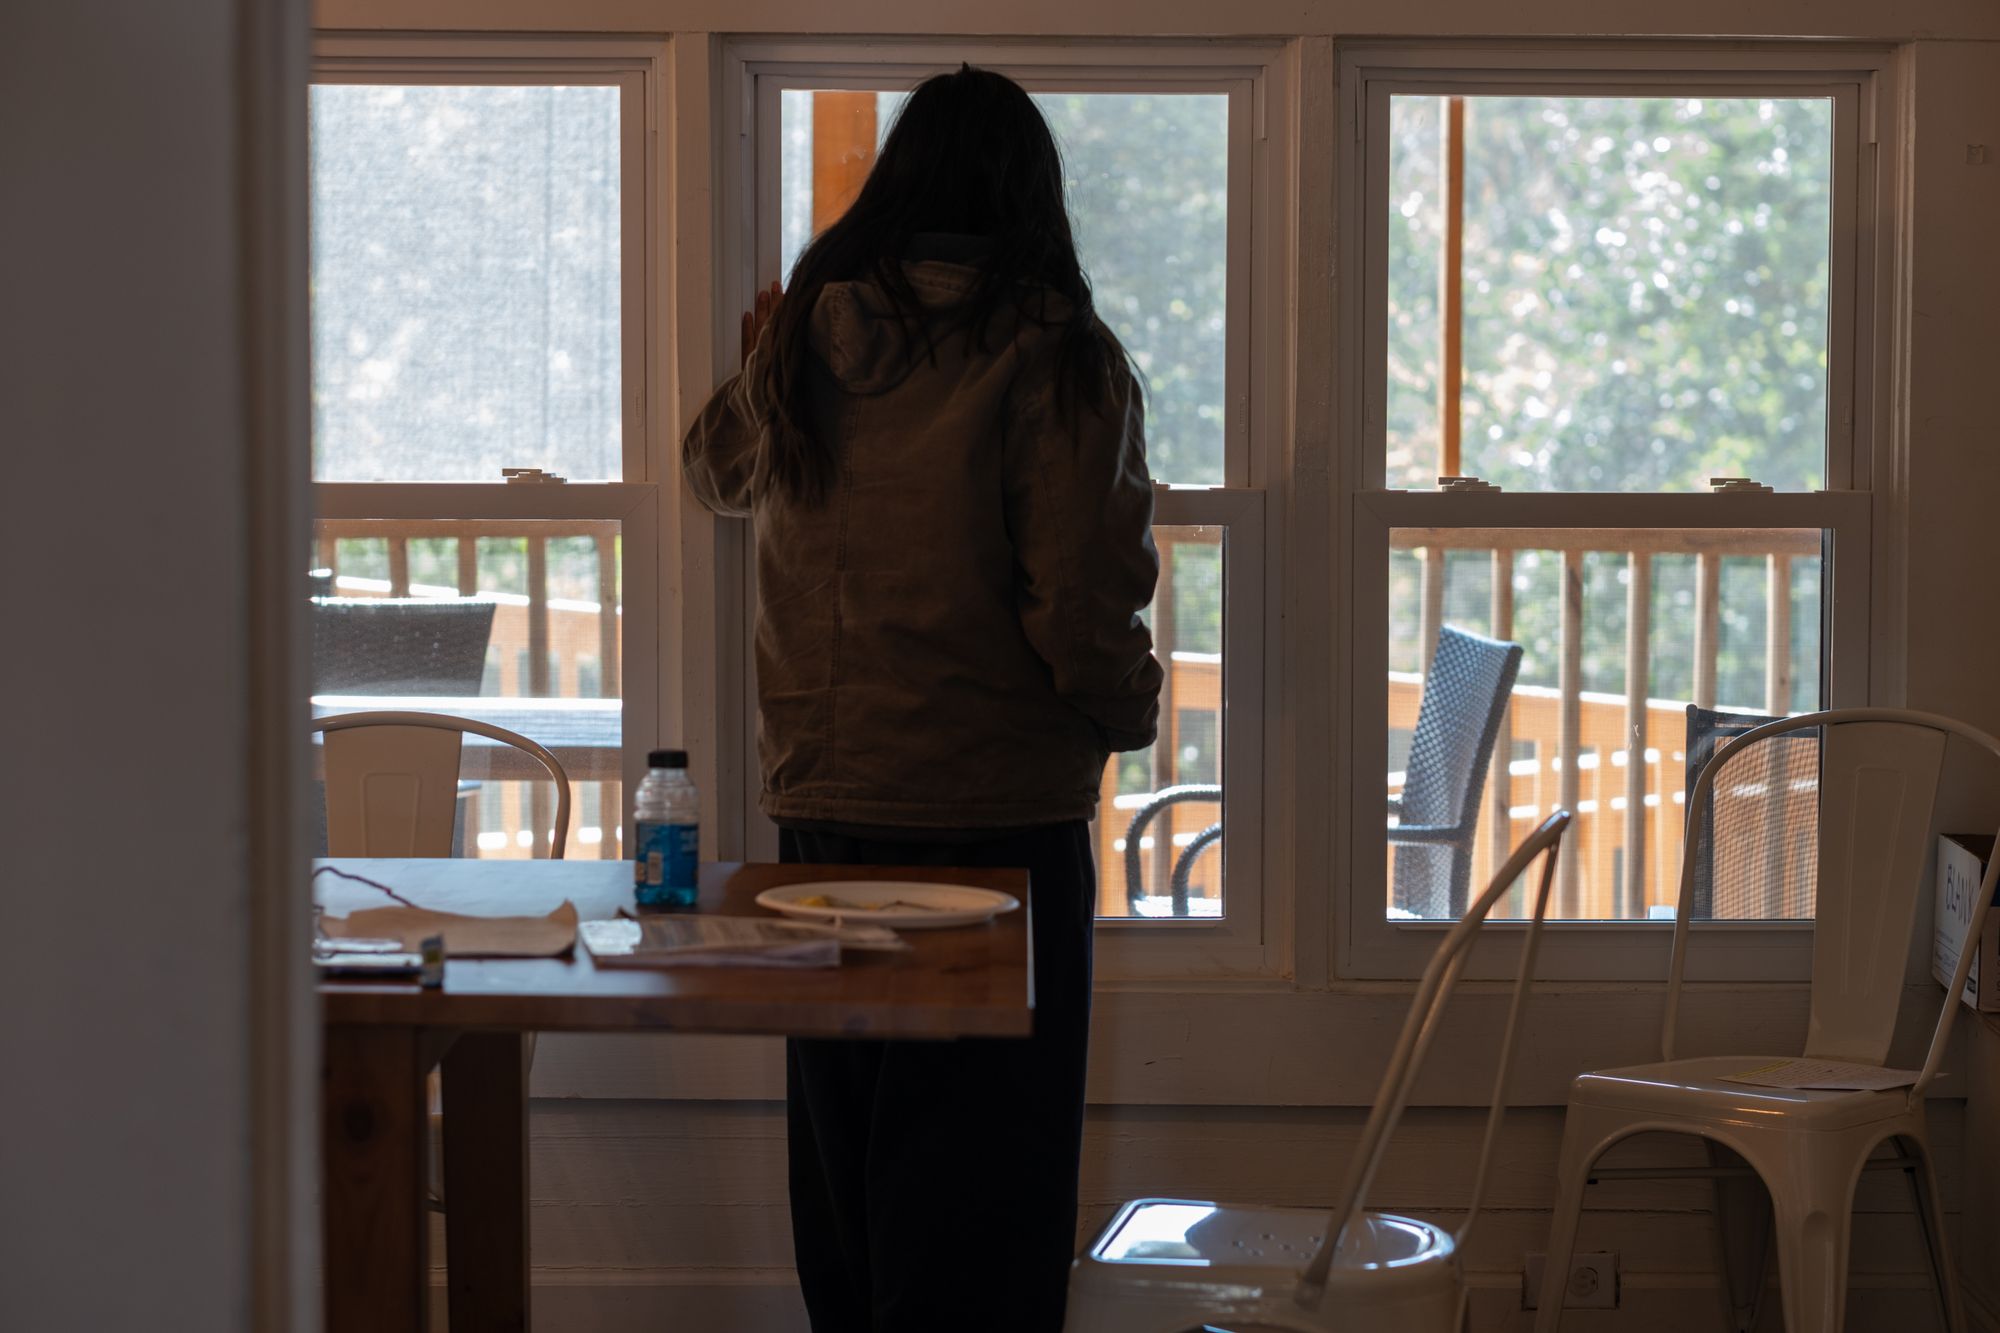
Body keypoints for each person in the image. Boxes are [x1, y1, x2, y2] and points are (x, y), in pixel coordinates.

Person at [682, 64, 1162, 1333]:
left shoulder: (808, 340)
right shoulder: (1055, 358)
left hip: (826, 807)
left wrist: (759, 359)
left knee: (848, 1163)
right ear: (1030, 198)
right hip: (993, 820)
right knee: (982, 1194)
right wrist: (1127, 710)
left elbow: (714, 477)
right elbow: (1079, 603)